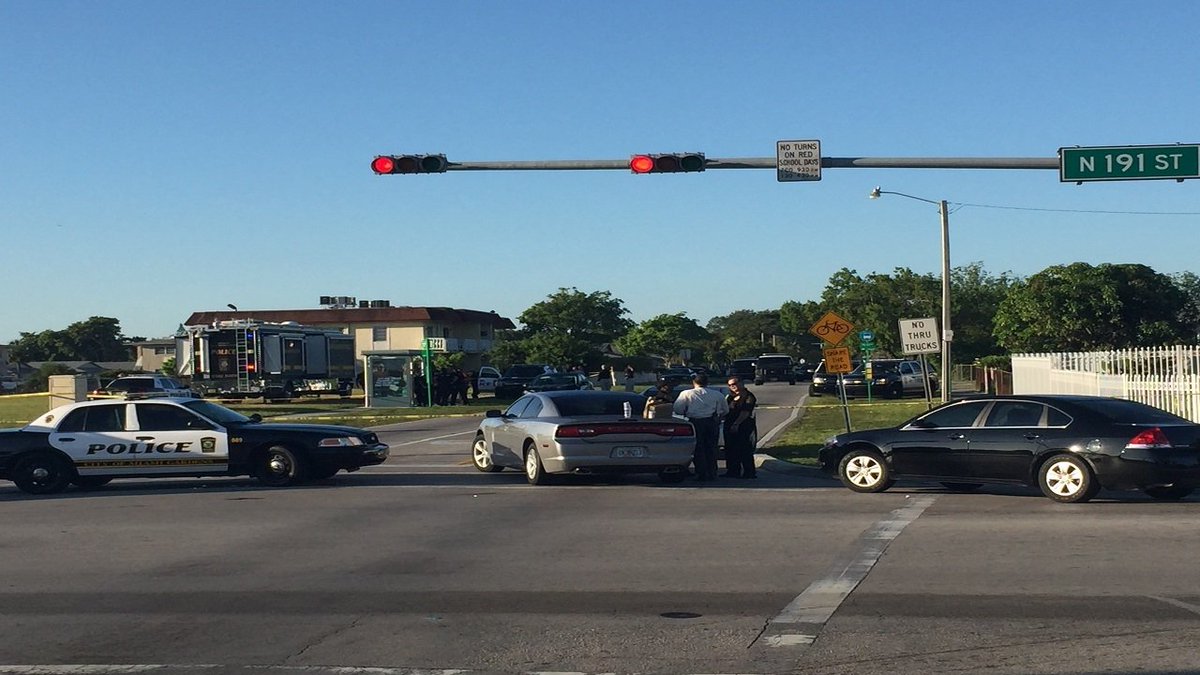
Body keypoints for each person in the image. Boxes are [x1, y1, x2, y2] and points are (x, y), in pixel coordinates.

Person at [672, 373, 728, 482]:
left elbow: (678, 409)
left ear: (694, 383)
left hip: (695, 422)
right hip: (712, 422)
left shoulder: (686, 394)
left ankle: (701, 473)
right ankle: (712, 472)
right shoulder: (717, 394)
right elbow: (725, 410)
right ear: (708, 383)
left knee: (698, 448)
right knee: (711, 448)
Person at [722, 377, 758, 479]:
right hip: (729, 425)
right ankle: (733, 471)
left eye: (734, 383)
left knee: (744, 449)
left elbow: (745, 412)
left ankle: (749, 472)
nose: (732, 386)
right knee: (730, 449)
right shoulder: (730, 397)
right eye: (729, 385)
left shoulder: (748, 397)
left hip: (743, 426)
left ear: (741, 383)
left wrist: (737, 424)